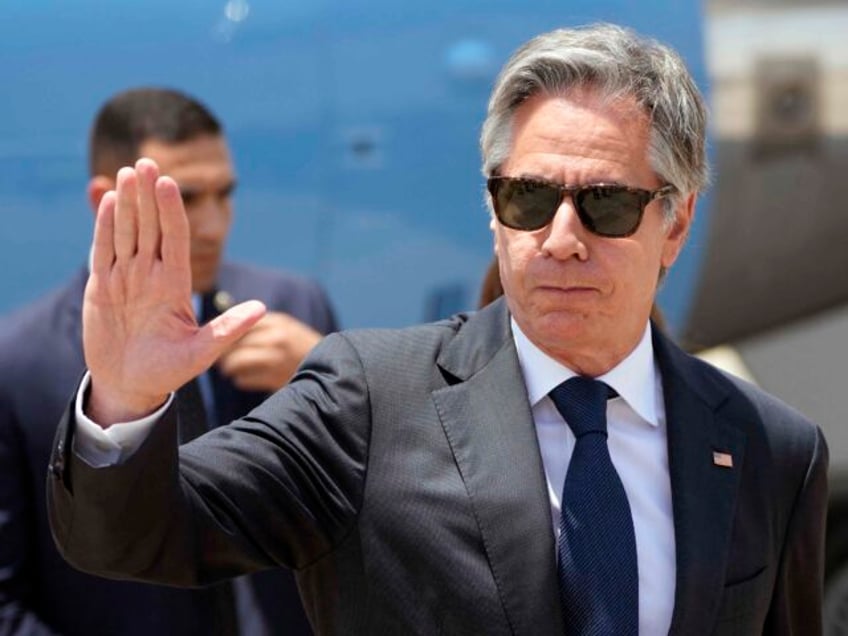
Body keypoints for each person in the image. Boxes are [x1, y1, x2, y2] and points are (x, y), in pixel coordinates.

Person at [46, 25, 826, 635]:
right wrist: (125, 401)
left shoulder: (770, 449)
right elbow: (140, 537)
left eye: (606, 204)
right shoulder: (369, 400)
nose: (559, 238)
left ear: (675, 223)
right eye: (527, 198)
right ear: (493, 211)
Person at [0, 87, 338, 635]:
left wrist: (327, 378)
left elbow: (372, 513)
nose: (212, 226)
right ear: (104, 201)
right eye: (184, 198)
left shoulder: (295, 309)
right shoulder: (16, 365)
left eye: (224, 194)